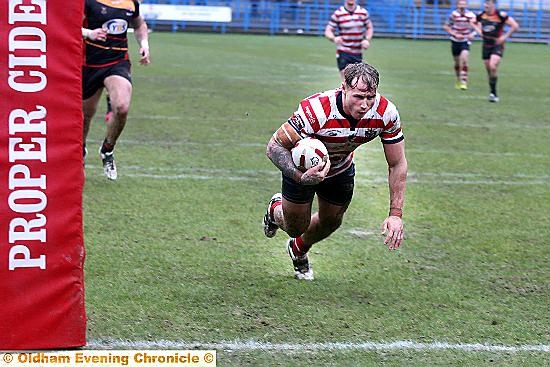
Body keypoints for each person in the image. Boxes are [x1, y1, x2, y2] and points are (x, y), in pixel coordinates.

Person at [262, 62, 407, 281]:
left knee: (331, 222)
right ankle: (275, 209)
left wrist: (395, 214)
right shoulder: (316, 110)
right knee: (295, 227)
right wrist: (300, 176)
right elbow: (274, 147)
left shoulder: (386, 113)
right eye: (358, 97)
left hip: (340, 168)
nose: (365, 104)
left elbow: (397, 164)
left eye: (370, 97)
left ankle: (298, 249)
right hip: (302, 170)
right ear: (344, 88)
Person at [82, 0, 151, 180]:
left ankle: (107, 149)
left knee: (121, 107)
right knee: (84, 116)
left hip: (117, 62)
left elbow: (139, 24)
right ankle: (78, 153)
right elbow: (68, 26)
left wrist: (144, 44)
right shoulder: (88, 2)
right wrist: (89, 33)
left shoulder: (131, 2)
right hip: (87, 64)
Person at [472, 0, 519, 102]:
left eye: (488, 3)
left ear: (493, 4)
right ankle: (492, 91)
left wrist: (504, 37)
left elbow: (515, 26)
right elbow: (472, 22)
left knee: (493, 66)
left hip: (497, 44)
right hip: (486, 45)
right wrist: (478, 32)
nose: (486, 5)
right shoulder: (481, 15)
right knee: (489, 70)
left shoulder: (500, 15)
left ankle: (494, 94)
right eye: (485, 3)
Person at [324, 0, 374, 81]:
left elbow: (369, 27)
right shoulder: (338, 13)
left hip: (357, 52)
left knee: (357, 81)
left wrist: (367, 39)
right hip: (343, 51)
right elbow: (328, 30)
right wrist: (333, 38)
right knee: (346, 80)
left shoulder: (363, 12)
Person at [443, 0, 477, 90]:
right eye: (460, 4)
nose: (462, 6)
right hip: (455, 40)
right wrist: (454, 34)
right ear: (457, 5)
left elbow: (477, 26)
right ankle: (458, 79)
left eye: (464, 4)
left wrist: (473, 34)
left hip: (465, 40)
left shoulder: (471, 15)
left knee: (465, 59)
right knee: (457, 63)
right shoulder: (453, 15)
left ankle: (464, 82)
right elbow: (446, 26)